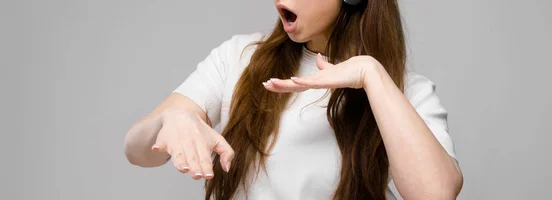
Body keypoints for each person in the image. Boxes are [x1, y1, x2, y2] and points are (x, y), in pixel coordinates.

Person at [124, 0, 464, 199]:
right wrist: (173, 120)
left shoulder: (403, 91)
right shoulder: (238, 57)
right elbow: (137, 151)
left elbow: (436, 194)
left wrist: (371, 75)